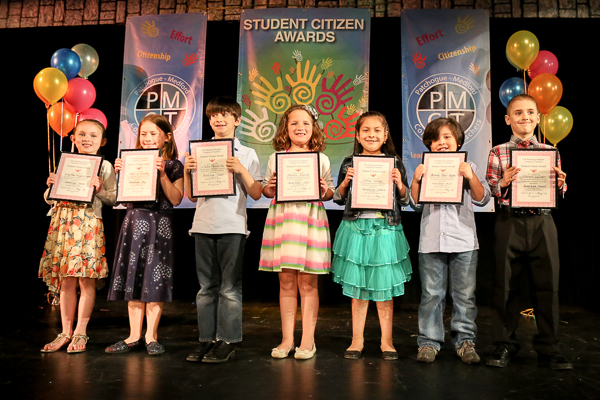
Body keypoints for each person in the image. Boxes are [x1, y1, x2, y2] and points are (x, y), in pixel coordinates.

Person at [486, 94, 571, 370]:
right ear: (508, 119)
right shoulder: (498, 151)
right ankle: (503, 345)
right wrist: (503, 181)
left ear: (538, 118)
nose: (525, 117)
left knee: (548, 287)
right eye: (518, 113)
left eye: (530, 112)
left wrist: (561, 185)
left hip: (542, 223)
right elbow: (492, 189)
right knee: (505, 286)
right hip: (510, 221)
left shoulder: (550, 150)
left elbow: (559, 191)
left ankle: (549, 348)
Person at [183, 96, 262, 363]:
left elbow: (256, 192)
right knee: (206, 287)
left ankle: (227, 341)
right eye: (214, 115)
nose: (218, 119)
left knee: (229, 288)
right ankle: (207, 340)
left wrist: (241, 170)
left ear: (237, 120)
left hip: (233, 225)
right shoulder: (199, 150)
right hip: (203, 225)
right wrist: (187, 171)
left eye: (225, 114)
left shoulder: (247, 153)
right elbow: (191, 197)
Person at [331, 111, 412, 361]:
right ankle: (357, 340)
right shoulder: (349, 162)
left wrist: (399, 184)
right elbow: (337, 196)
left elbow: (406, 199)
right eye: (366, 130)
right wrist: (346, 182)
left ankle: (386, 341)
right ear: (357, 134)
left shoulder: (395, 162)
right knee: (358, 289)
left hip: (385, 229)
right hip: (356, 228)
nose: (371, 135)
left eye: (377, 130)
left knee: (384, 289)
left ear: (385, 135)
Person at [410, 117, 491, 364]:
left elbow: (483, 198)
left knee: (464, 296)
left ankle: (465, 341)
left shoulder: (470, 166)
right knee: (431, 294)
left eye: (447, 137)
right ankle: (428, 342)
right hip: (432, 239)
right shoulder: (424, 168)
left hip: (463, 240)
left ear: (458, 141)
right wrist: (415, 180)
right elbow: (414, 204)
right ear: (429, 144)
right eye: (435, 139)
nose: (441, 143)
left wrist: (469, 176)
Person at [260, 104, 334, 360]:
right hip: (284, 220)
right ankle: (287, 339)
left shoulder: (321, 159)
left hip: (311, 220)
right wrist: (269, 187)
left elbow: (331, 193)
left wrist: (326, 189)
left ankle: (307, 340)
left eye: (305, 123)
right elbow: (267, 191)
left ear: (313, 128)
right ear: (285, 128)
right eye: (294, 123)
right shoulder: (275, 158)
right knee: (287, 281)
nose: (300, 128)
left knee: (308, 281)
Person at [105, 114, 184, 356]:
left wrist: (161, 174)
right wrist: (119, 173)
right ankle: (133, 336)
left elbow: (177, 198)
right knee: (134, 278)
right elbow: (121, 196)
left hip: (159, 225)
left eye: (153, 133)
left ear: (166, 137)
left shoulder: (173, 165)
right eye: (144, 134)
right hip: (133, 223)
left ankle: (151, 336)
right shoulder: (130, 160)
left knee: (154, 279)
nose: (148, 138)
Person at [39, 119, 117, 353]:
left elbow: (114, 198)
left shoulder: (104, 166)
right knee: (66, 280)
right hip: (63, 224)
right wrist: (50, 186)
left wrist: (100, 188)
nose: (86, 139)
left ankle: (81, 333)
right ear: (72, 138)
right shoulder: (65, 163)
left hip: (87, 225)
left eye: (93, 136)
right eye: (81, 134)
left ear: (102, 141)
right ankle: (65, 332)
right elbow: (50, 198)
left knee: (86, 279)